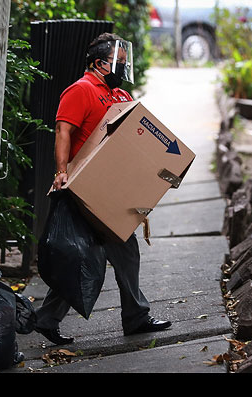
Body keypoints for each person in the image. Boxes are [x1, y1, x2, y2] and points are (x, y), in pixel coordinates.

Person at [34, 32, 172, 346]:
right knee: (106, 253)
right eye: (117, 63)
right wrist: (61, 172)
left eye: (124, 64)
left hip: (108, 191)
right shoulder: (81, 90)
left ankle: (47, 318)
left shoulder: (121, 97)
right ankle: (135, 317)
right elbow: (63, 130)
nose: (122, 69)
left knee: (98, 254)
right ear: (99, 64)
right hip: (83, 190)